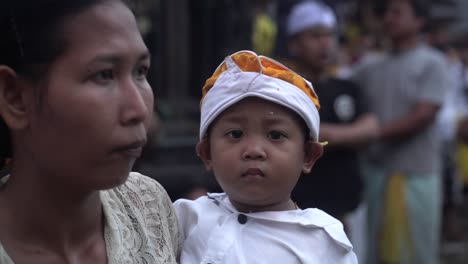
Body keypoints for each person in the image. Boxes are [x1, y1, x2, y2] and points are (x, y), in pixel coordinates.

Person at [0, 1, 182, 263]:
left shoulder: (148, 207)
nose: (139, 109)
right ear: (15, 97)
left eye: (140, 72)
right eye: (104, 75)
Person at [174, 50, 358, 263]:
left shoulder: (322, 242)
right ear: (207, 154)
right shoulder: (185, 219)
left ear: (308, 155)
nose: (254, 150)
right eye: (236, 134)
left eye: (275, 135)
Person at [351, 0, 449, 263]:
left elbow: (424, 115)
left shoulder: (433, 63)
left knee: (416, 252)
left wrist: (369, 134)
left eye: (397, 12)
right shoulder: (368, 67)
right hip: (375, 173)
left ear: (419, 21)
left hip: (417, 174)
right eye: (386, 13)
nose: (389, 19)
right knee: (374, 248)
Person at [286, 0, 378, 225]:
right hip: (295, 211)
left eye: (329, 35)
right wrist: (349, 135)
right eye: (315, 36)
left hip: (345, 209)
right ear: (295, 44)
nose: (325, 44)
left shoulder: (347, 87)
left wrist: (320, 135)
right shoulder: (284, 89)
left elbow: (371, 129)